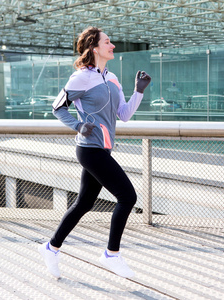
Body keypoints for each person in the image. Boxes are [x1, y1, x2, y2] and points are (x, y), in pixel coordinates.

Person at [38, 26, 151, 279]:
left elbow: (124, 115)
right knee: (127, 197)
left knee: (84, 203)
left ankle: (51, 247)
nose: (112, 46)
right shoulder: (81, 78)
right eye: (108, 42)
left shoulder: (112, 78)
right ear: (94, 47)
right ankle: (111, 254)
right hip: (89, 150)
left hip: (104, 149)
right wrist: (78, 125)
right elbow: (58, 107)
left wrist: (139, 91)